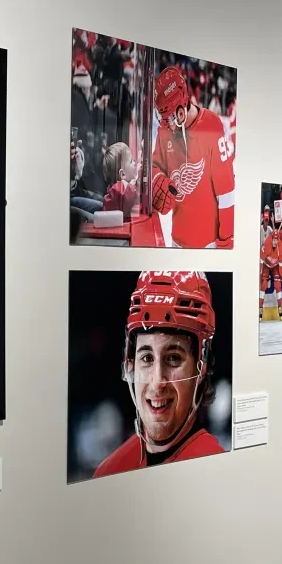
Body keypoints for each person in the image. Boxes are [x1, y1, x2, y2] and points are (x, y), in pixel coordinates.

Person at [92, 271, 226, 477]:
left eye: (173, 358)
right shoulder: (108, 469)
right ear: (131, 363)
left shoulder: (216, 472)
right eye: (146, 358)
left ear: (202, 364)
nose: (157, 382)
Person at [149, 66, 235, 248]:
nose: (165, 124)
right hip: (176, 240)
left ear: (180, 110)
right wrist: (158, 179)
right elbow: (154, 166)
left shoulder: (211, 125)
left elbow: (226, 190)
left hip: (208, 245)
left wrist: (226, 240)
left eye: (168, 117)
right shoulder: (164, 132)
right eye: (162, 117)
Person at [260, 222, 282, 322]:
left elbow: (281, 264)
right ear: (271, 238)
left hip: (275, 265)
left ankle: (280, 307)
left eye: (277, 240)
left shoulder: (280, 247)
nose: (275, 242)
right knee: (263, 285)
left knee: (278, 285)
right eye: (274, 240)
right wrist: (260, 274)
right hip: (266, 265)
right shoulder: (267, 243)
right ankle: (260, 308)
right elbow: (261, 260)